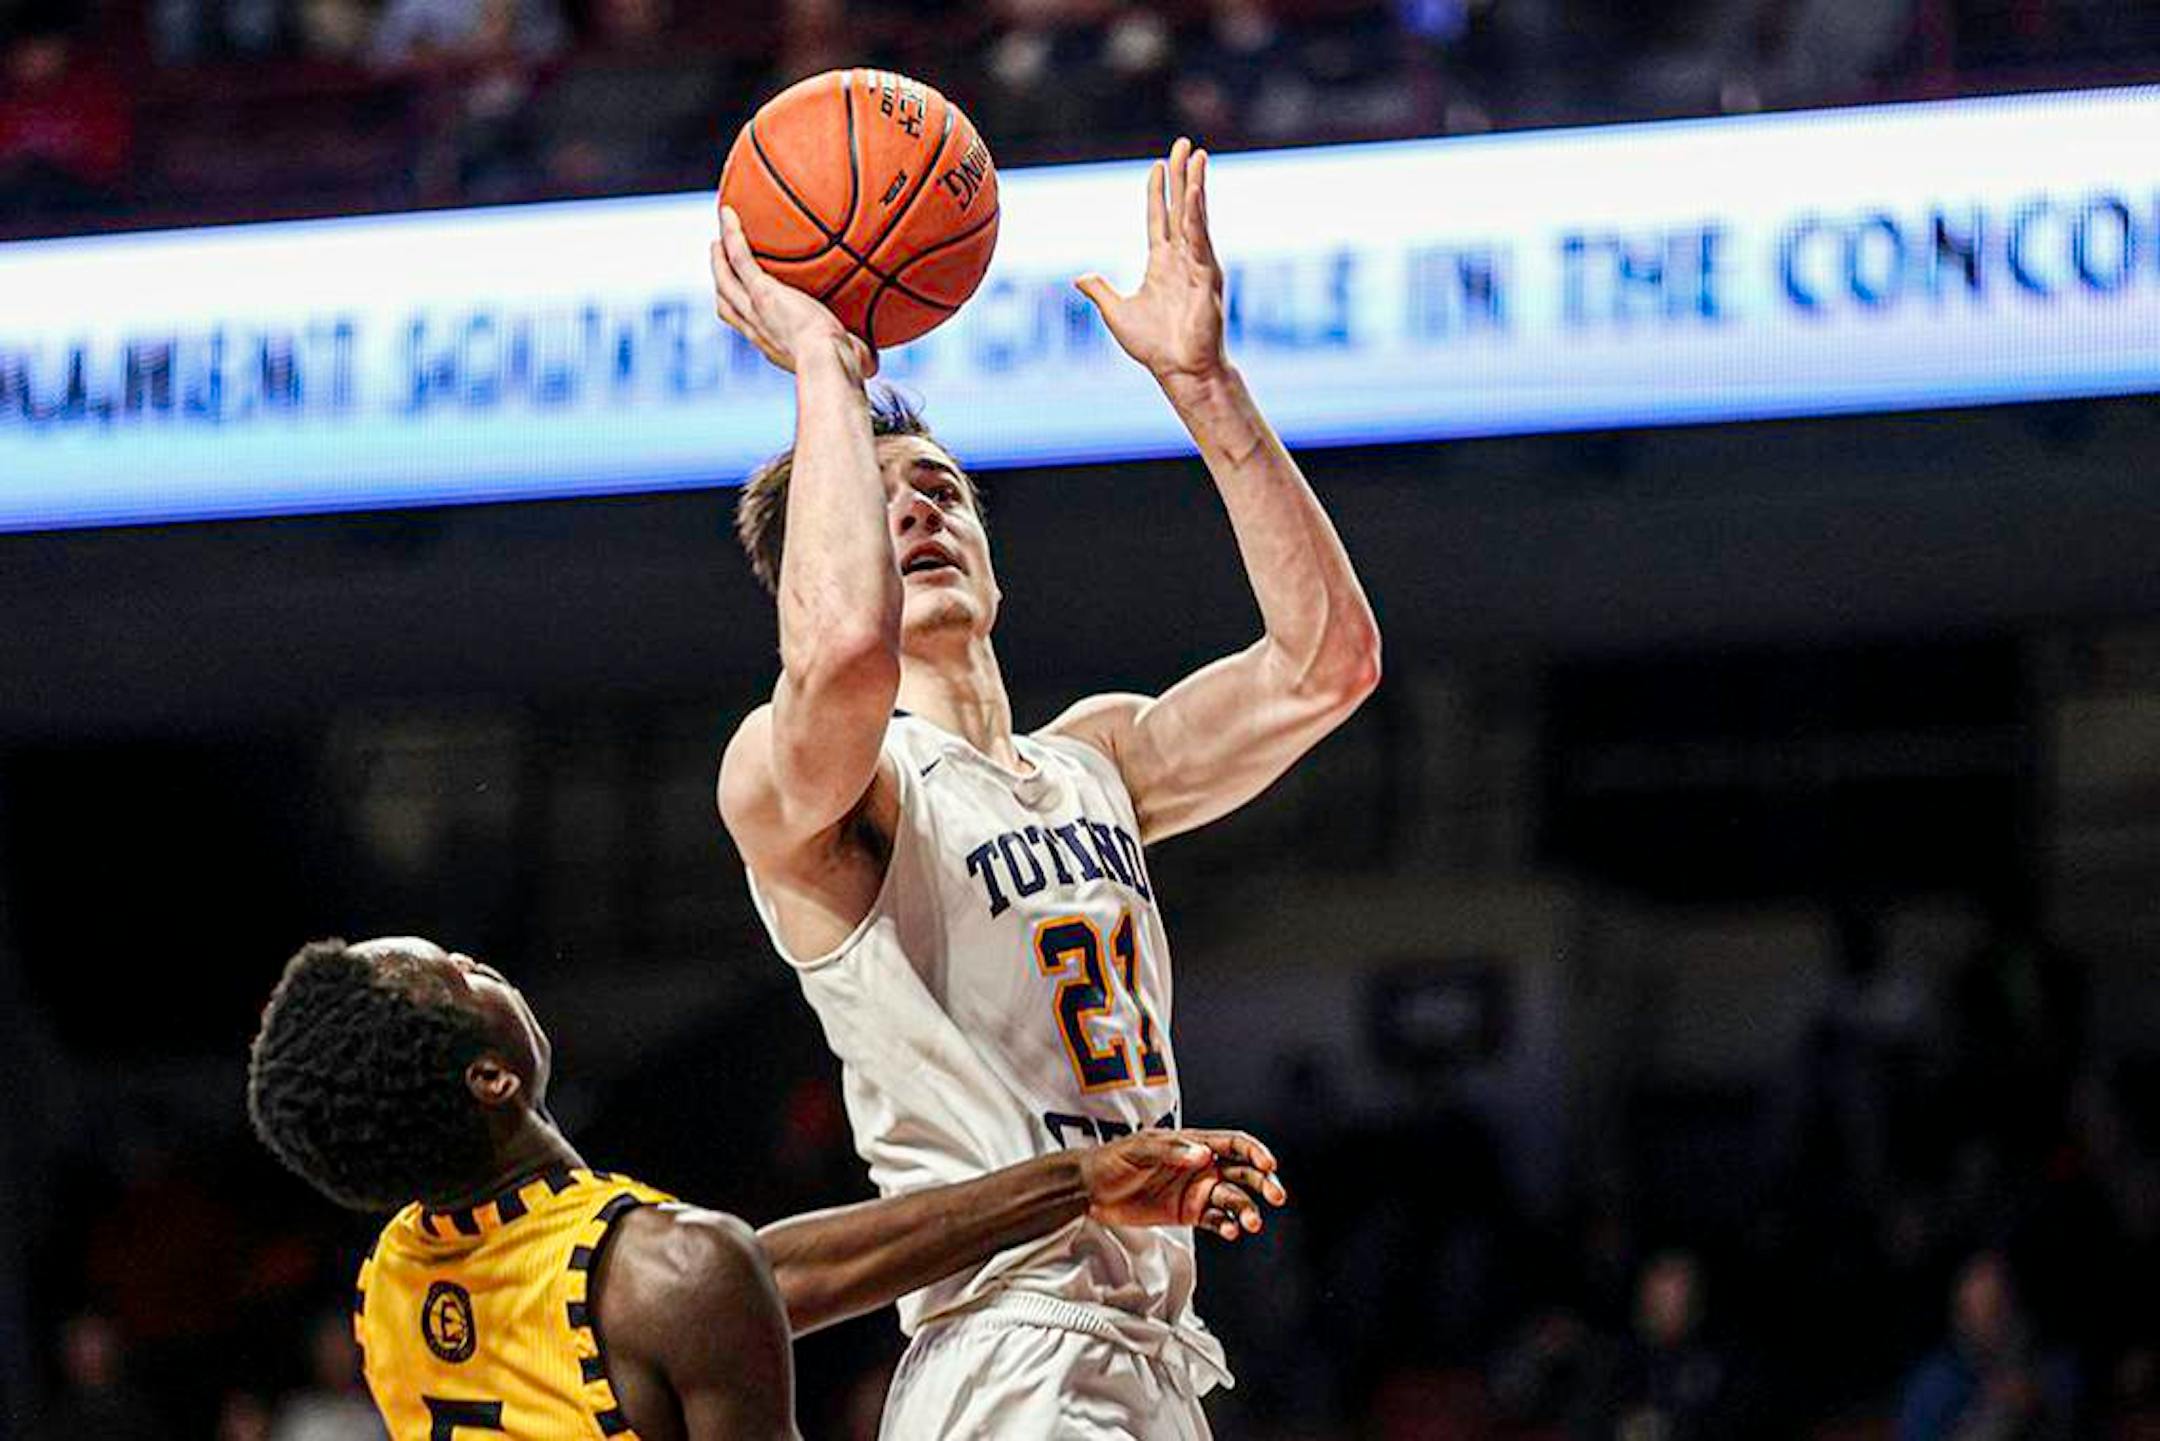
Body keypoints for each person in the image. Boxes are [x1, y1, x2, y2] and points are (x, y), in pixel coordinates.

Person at [709, 136, 1380, 1436]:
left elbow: (1327, 665)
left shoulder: (1095, 762)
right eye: (883, 504)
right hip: (1004, 1342)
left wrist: (1205, 386)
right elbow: (841, 653)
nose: (923, 513)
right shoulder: (813, 787)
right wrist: (824, 373)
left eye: (945, 492)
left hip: (1155, 1346)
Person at [247, 935, 1285, 1440]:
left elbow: (747, 1279)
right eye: (457, 970)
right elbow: (711, 1287)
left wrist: (1076, 1180)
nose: (479, 961)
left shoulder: (392, 1281)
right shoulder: (670, 1274)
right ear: (491, 1079)